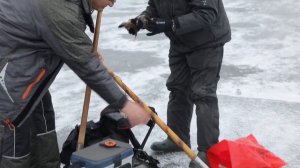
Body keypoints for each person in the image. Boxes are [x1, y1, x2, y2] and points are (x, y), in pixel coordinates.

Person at [0, 0, 150, 167]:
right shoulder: (58, 11)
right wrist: (124, 105)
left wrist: (81, 44)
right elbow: (86, 66)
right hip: (10, 69)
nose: (111, 4)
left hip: (29, 63)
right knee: (14, 131)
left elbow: (58, 28)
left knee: (43, 118)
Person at [119, 0, 231, 166]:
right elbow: (154, 7)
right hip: (180, 41)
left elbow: (206, 13)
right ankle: (177, 139)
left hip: (207, 41)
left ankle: (208, 150)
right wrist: (142, 20)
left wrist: (170, 24)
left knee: (203, 93)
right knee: (178, 88)